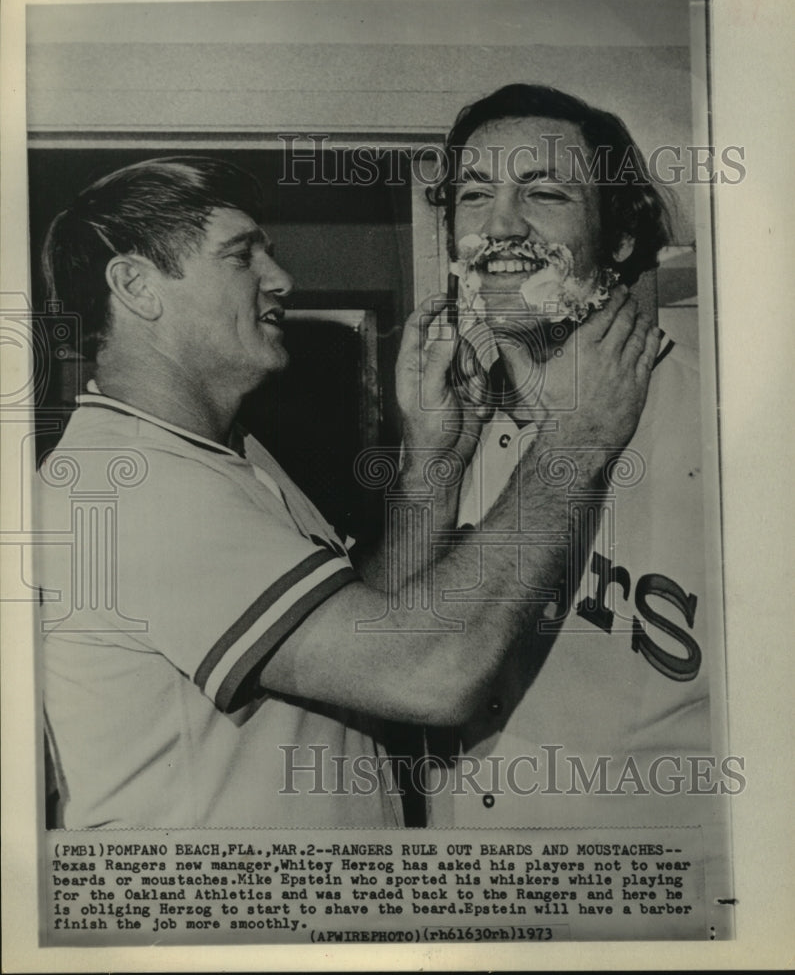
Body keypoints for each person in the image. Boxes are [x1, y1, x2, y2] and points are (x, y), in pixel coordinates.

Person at [35, 155, 659, 830]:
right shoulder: (136, 486)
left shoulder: (222, 454)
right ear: (135, 286)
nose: (281, 279)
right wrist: (574, 441)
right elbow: (426, 673)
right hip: (225, 927)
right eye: (243, 256)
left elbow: (363, 629)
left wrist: (432, 465)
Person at [423, 83, 715, 828]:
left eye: (545, 193)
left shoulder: (723, 422)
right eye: (473, 195)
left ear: (618, 238)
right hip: (468, 890)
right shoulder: (452, 418)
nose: (500, 226)